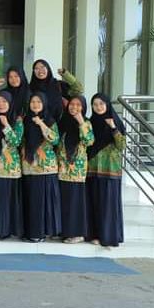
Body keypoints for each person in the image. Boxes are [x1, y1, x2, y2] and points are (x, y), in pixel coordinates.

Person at [86, 93, 126, 247]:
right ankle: (95, 235)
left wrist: (113, 128)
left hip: (110, 171)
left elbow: (122, 145)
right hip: (93, 169)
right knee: (95, 204)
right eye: (95, 105)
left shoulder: (116, 122)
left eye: (101, 104)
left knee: (108, 205)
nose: (98, 107)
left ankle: (109, 237)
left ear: (107, 105)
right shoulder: (91, 123)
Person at [22, 92, 61, 242]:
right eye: (33, 102)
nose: (35, 104)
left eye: (39, 102)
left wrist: (41, 124)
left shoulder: (50, 120)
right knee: (31, 201)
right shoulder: (25, 120)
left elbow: (55, 139)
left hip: (45, 168)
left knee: (42, 203)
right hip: (29, 166)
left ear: (44, 103)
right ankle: (30, 232)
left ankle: (41, 233)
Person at [58, 96, 94, 244]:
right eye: (72, 104)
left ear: (83, 107)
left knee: (75, 202)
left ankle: (77, 233)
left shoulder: (86, 122)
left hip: (76, 170)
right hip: (62, 168)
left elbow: (89, 141)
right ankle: (64, 231)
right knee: (63, 201)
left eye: (78, 105)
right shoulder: (63, 121)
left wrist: (81, 122)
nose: (74, 107)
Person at [0, 91, 24, 239]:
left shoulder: (17, 121)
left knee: (9, 200)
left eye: (4, 101)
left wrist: (6, 124)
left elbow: (16, 141)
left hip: (11, 168)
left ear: (10, 103)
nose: (1, 104)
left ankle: (8, 230)